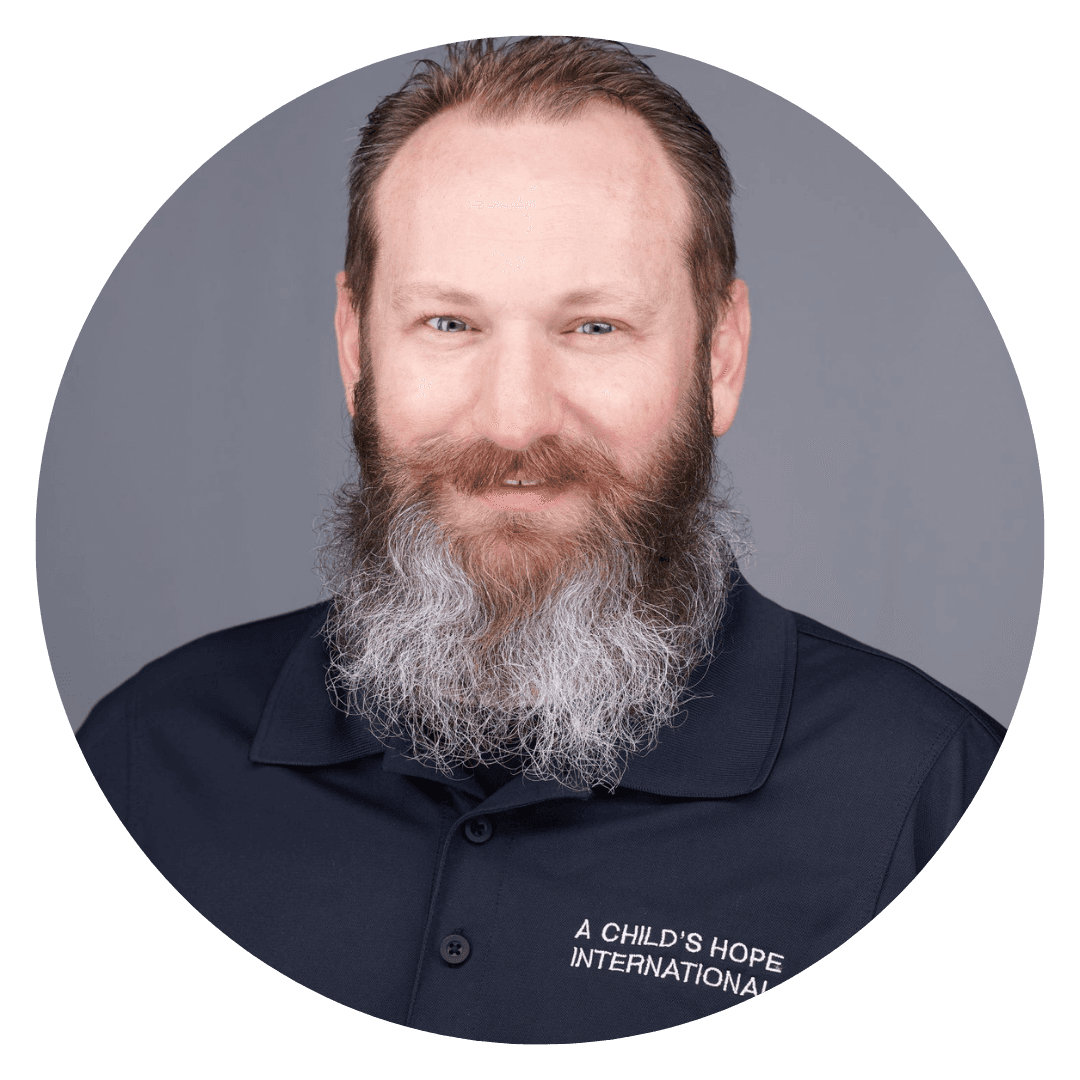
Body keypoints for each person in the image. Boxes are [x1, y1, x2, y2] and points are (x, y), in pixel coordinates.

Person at [77, 37, 1004, 1044]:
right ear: (356, 350)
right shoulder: (139, 766)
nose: (515, 426)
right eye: (447, 324)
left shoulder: (939, 804)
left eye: (595, 327)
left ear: (720, 356)